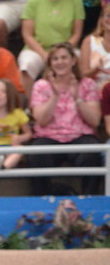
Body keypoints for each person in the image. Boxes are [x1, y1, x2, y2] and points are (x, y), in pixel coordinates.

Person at [28, 43, 103, 194]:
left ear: (73, 61)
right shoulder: (41, 85)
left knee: (92, 154)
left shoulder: (87, 84)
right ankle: (42, 202)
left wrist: (77, 99)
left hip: (80, 136)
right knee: (36, 155)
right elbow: (41, 120)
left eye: (64, 57)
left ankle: (89, 201)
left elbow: (95, 120)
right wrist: (54, 97)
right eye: (55, 59)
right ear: (50, 63)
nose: (60, 62)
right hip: (49, 137)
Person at [18, 0, 84, 95]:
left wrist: (63, 51)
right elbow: (27, 34)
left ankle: (75, 101)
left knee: (80, 60)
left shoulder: (75, 0)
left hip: (66, 48)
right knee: (26, 65)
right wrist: (45, 55)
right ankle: (32, 107)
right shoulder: (34, 0)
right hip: (38, 49)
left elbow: (77, 33)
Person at [79, 2, 110, 120]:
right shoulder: (89, 41)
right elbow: (82, 74)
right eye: (108, 15)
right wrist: (96, 70)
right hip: (93, 91)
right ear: (101, 19)